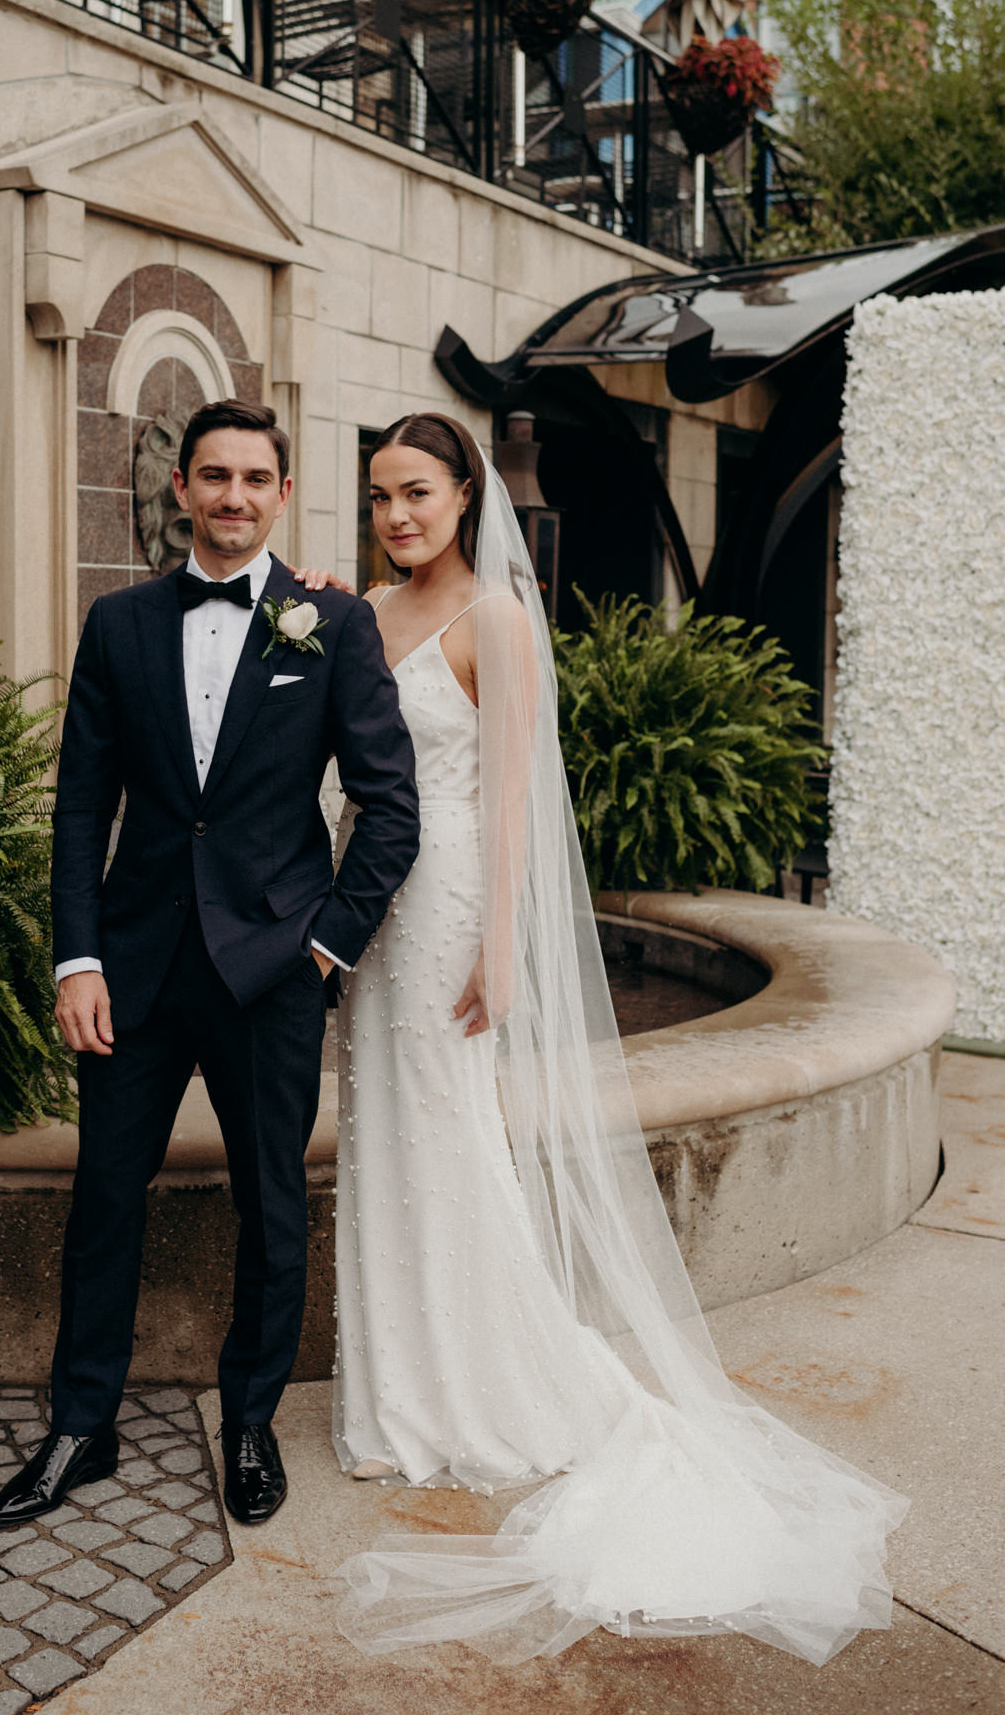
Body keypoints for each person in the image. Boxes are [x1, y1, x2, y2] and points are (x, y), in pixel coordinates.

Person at [325, 411, 906, 1669]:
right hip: (369, 909)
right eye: (378, 495)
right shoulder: (365, 613)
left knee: (452, 1136)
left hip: (452, 911)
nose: (396, 515)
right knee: (384, 1132)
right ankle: (393, 1393)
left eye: (416, 493)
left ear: (463, 492)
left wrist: (499, 944)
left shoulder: (498, 618)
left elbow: (514, 791)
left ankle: (482, 1386)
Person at [0, 399, 420, 1533]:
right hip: (129, 966)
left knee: (273, 1205)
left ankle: (248, 1418)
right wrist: (75, 957)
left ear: (282, 493)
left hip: (271, 967)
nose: (233, 495)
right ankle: (81, 1421)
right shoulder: (118, 622)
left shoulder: (328, 623)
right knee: (101, 1200)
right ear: (179, 486)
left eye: (255, 477)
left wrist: (325, 945)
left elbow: (389, 807)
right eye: (213, 475)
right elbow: (81, 804)